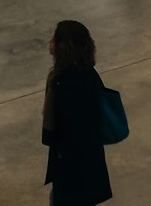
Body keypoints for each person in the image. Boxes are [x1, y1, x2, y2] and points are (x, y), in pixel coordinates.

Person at [42, 19, 112, 206]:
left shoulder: (66, 83)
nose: (50, 42)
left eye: (54, 39)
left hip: (73, 165)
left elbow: (70, 128)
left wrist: (60, 153)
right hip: (84, 162)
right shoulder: (86, 75)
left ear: (64, 47)